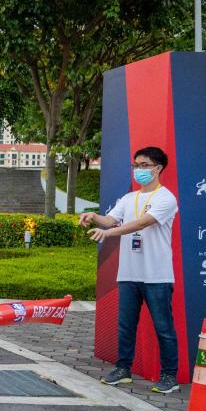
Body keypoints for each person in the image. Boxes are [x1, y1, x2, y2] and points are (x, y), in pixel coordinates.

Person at [80, 146, 181, 394]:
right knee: (125, 326)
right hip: (128, 274)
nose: (138, 170)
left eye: (144, 165)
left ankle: (170, 376)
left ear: (158, 168)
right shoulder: (129, 198)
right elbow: (110, 220)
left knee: (163, 327)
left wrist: (108, 233)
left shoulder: (165, 198)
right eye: (136, 165)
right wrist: (93, 216)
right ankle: (123, 369)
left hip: (156, 275)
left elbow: (141, 223)